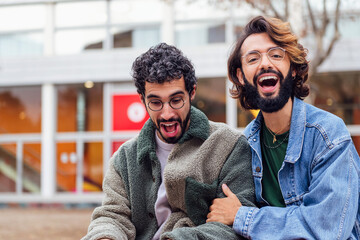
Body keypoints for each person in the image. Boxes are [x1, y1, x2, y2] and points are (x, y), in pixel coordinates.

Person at [206, 16, 360, 239]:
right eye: (253, 59)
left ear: (294, 69)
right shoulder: (243, 145)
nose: (265, 63)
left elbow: (327, 229)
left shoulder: (328, 136)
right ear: (240, 76)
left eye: (276, 55)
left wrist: (242, 217)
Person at [82, 43, 255, 240]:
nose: (167, 114)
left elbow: (235, 228)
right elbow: (112, 216)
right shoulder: (124, 158)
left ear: (192, 93)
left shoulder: (229, 146)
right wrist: (105, 236)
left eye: (176, 100)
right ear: (142, 100)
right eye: (155, 102)